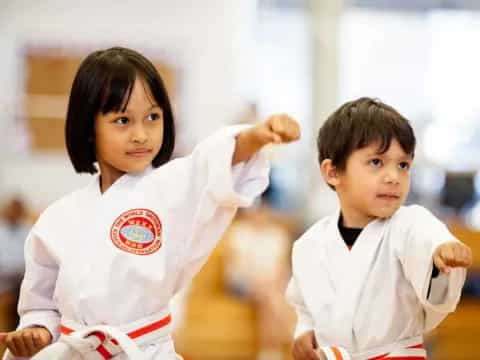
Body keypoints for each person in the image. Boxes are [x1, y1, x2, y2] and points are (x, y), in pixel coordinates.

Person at [0, 46, 301, 360]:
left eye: (152, 117)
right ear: (89, 126)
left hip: (145, 352)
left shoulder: (170, 187)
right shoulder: (56, 219)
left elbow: (212, 161)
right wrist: (38, 330)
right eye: (122, 120)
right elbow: (41, 304)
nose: (141, 134)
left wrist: (257, 135)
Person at [286, 97, 472, 360]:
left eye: (403, 165)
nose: (393, 177)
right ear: (333, 172)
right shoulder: (309, 245)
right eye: (376, 162)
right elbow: (304, 305)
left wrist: (443, 255)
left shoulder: (409, 224)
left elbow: (429, 243)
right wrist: (304, 332)